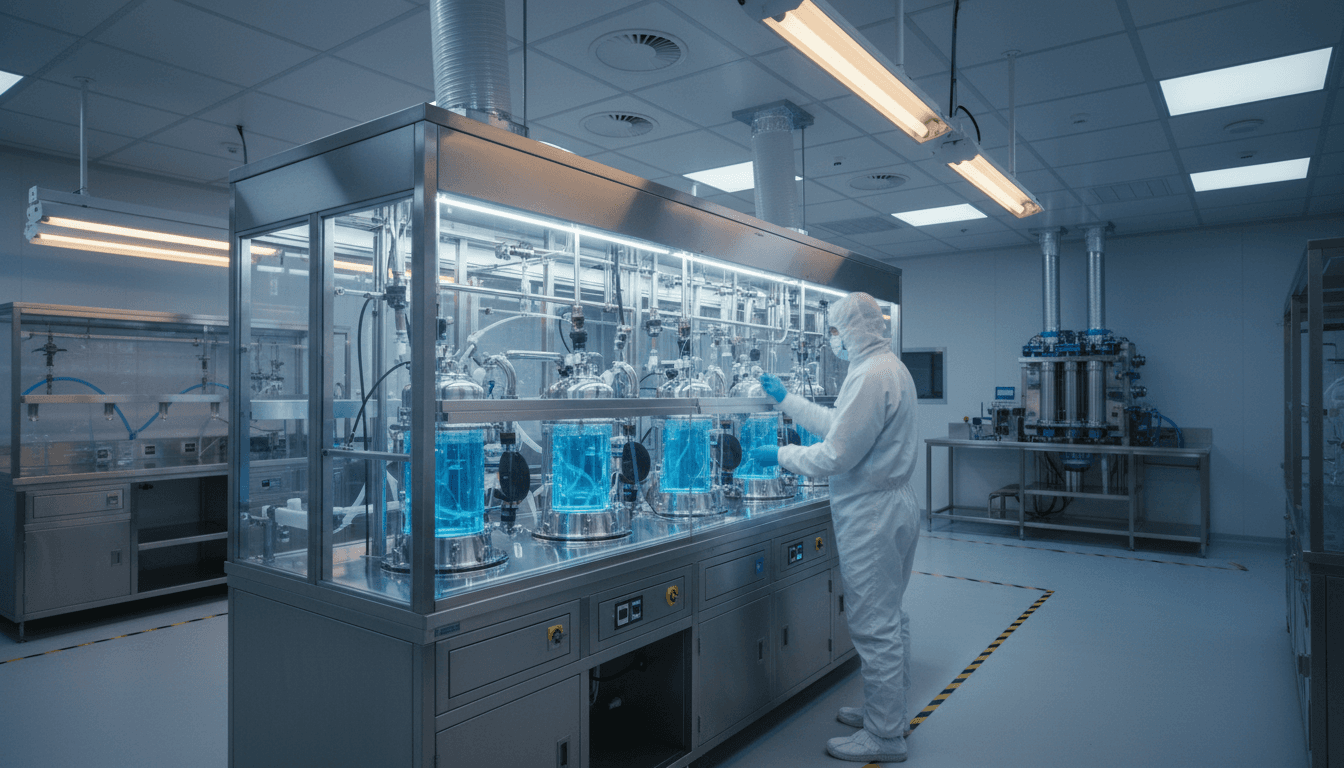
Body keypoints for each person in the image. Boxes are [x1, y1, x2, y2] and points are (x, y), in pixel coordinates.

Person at [752, 292, 920, 764]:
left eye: (835, 331)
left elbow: (836, 454)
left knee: (874, 625)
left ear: (854, 329)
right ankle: (889, 713)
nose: (832, 339)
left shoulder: (870, 375)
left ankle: (884, 736)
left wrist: (780, 455)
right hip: (894, 505)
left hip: (872, 514)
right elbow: (839, 425)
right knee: (891, 617)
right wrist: (787, 400)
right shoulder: (886, 367)